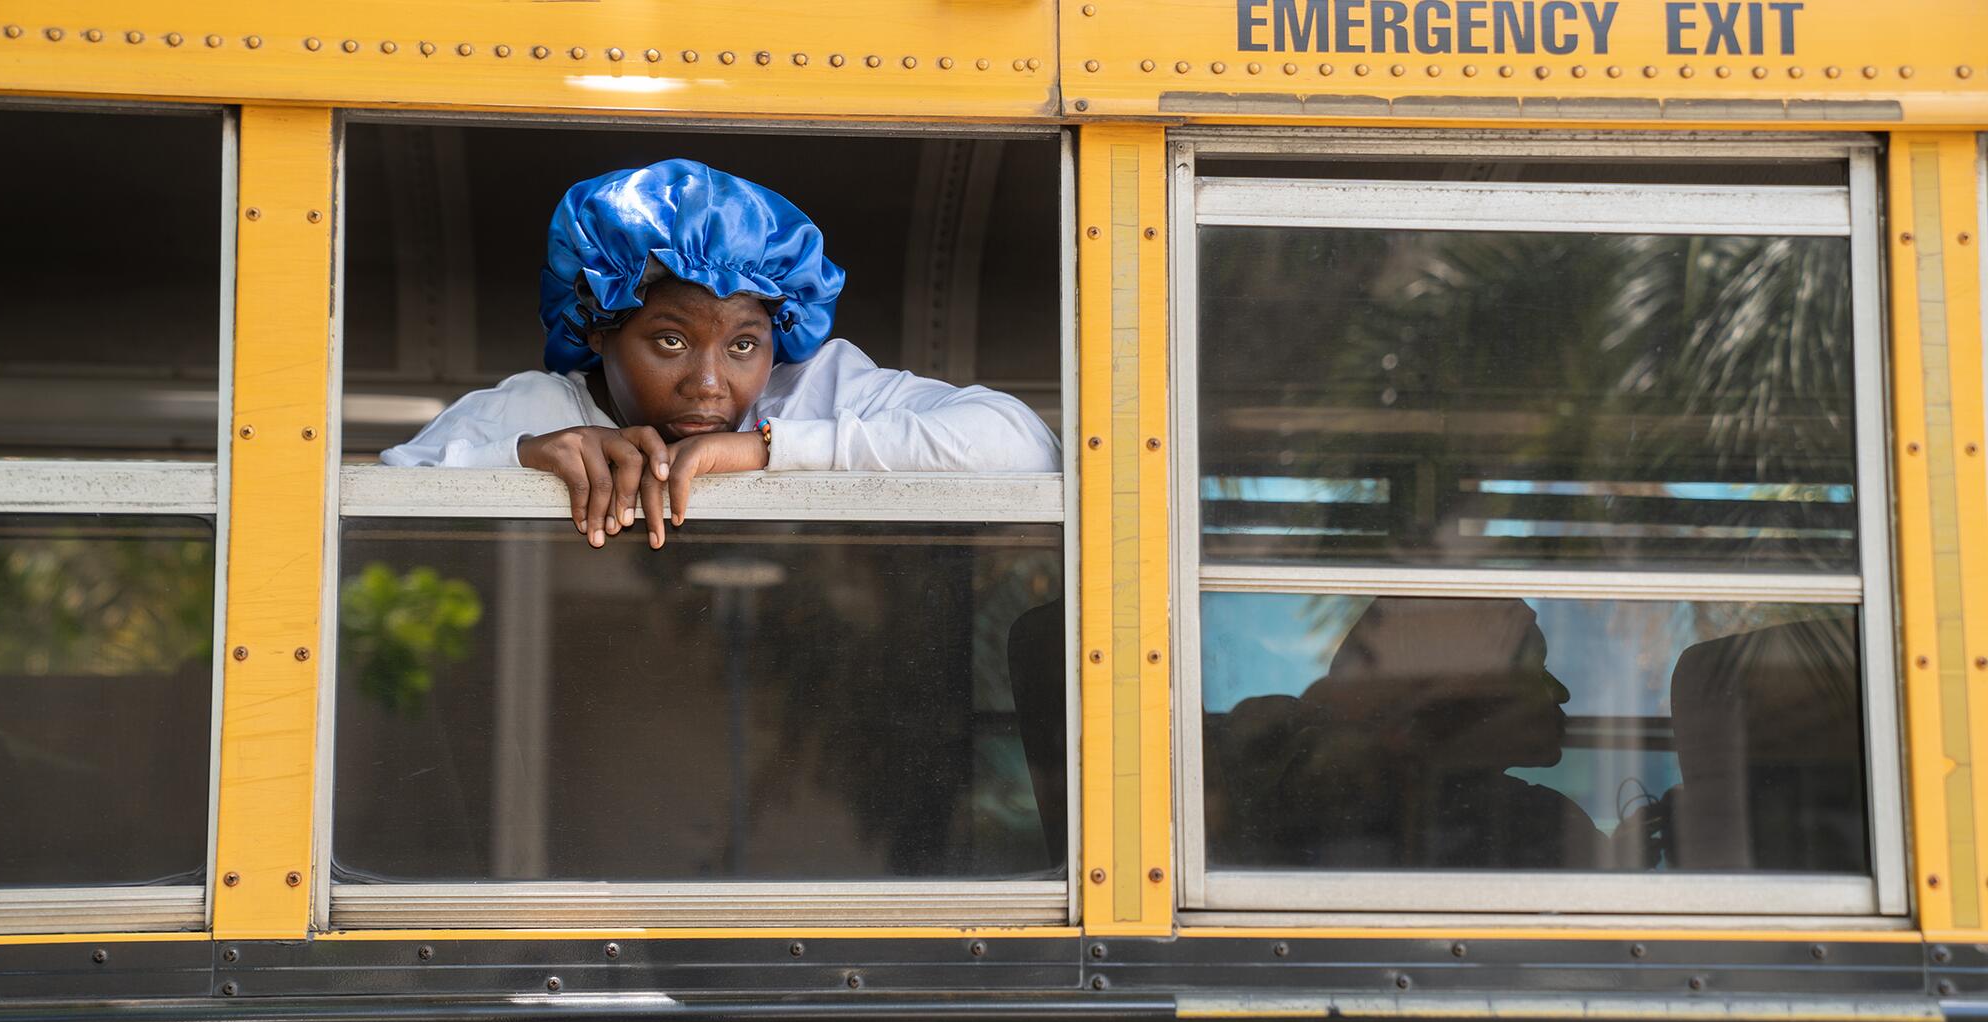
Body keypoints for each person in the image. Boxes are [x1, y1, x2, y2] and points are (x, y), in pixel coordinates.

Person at [381, 160, 1062, 547]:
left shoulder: (812, 391)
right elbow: (371, 508)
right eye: (670, 341)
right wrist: (524, 458)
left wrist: (769, 447)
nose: (709, 384)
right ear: (596, 327)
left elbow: (1026, 447)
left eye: (743, 344)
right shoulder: (536, 410)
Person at [1205, 597, 1630, 870]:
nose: (1561, 690)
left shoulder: (1332, 806)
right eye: (1533, 672)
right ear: (1459, 703)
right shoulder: (1534, 822)